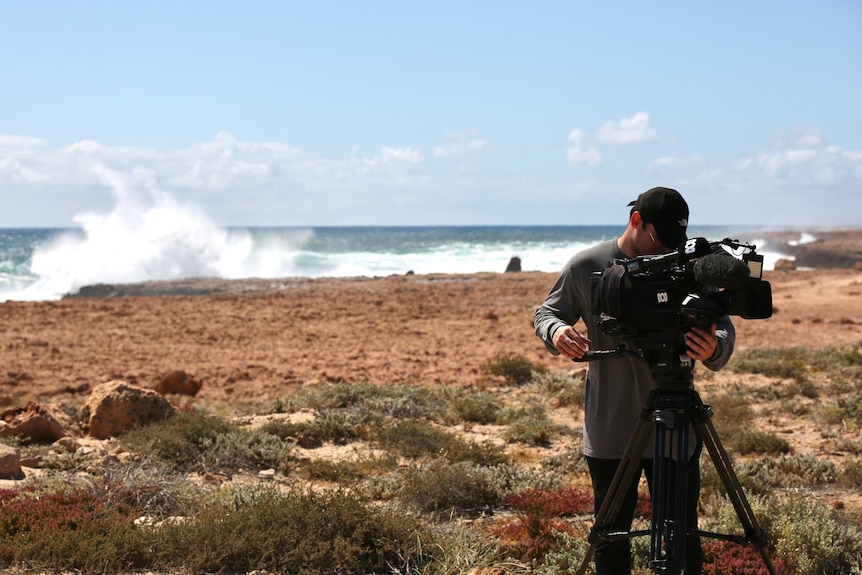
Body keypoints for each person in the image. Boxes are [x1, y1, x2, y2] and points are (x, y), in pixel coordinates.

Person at [533, 186, 735, 575]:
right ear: (636, 221)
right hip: (610, 429)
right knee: (610, 541)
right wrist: (557, 332)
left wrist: (713, 348)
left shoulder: (684, 265)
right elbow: (545, 313)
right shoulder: (586, 265)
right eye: (659, 240)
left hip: (676, 426)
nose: (665, 251)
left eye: (673, 242)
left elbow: (723, 323)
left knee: (683, 540)